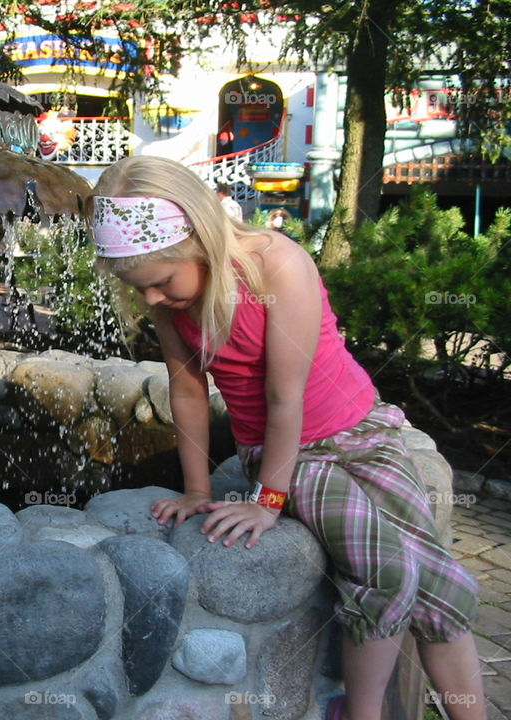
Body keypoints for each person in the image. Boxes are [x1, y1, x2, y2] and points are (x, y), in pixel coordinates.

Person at [86, 155, 484, 720]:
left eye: (160, 284)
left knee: (442, 582)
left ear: (199, 239)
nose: (152, 301)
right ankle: (361, 711)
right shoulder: (174, 302)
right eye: (139, 289)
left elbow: (285, 395)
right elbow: (189, 393)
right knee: (387, 570)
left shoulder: (279, 266)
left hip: (362, 431)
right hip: (292, 456)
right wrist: (199, 489)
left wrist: (267, 503)